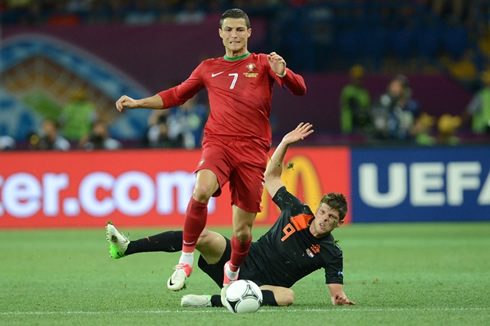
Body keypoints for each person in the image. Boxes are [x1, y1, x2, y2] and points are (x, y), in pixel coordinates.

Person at [115, 8, 307, 299]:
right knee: (201, 189)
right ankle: (185, 261)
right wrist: (138, 103)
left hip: (253, 152)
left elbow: (300, 89)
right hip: (218, 143)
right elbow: (177, 95)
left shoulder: (264, 63)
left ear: (248, 33)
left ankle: (231, 274)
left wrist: (285, 73)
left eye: (239, 30)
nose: (234, 35)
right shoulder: (208, 67)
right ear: (220, 33)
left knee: (242, 232)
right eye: (228, 30)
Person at [105, 122, 354, 308]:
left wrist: (339, 298)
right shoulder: (298, 211)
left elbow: (335, 293)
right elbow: (272, 177)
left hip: (264, 285)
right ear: (318, 208)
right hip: (243, 258)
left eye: (332, 218)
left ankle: (212, 300)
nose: (324, 219)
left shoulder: (332, 252)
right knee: (202, 237)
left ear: (339, 223)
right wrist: (285, 143)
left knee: (287, 297)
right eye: (323, 212)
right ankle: (127, 247)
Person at [339, 64, 371, 134]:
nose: (358, 80)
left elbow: (367, 107)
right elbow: (354, 107)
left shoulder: (364, 92)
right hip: (349, 126)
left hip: (363, 127)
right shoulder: (348, 90)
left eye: (360, 78)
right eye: (356, 77)